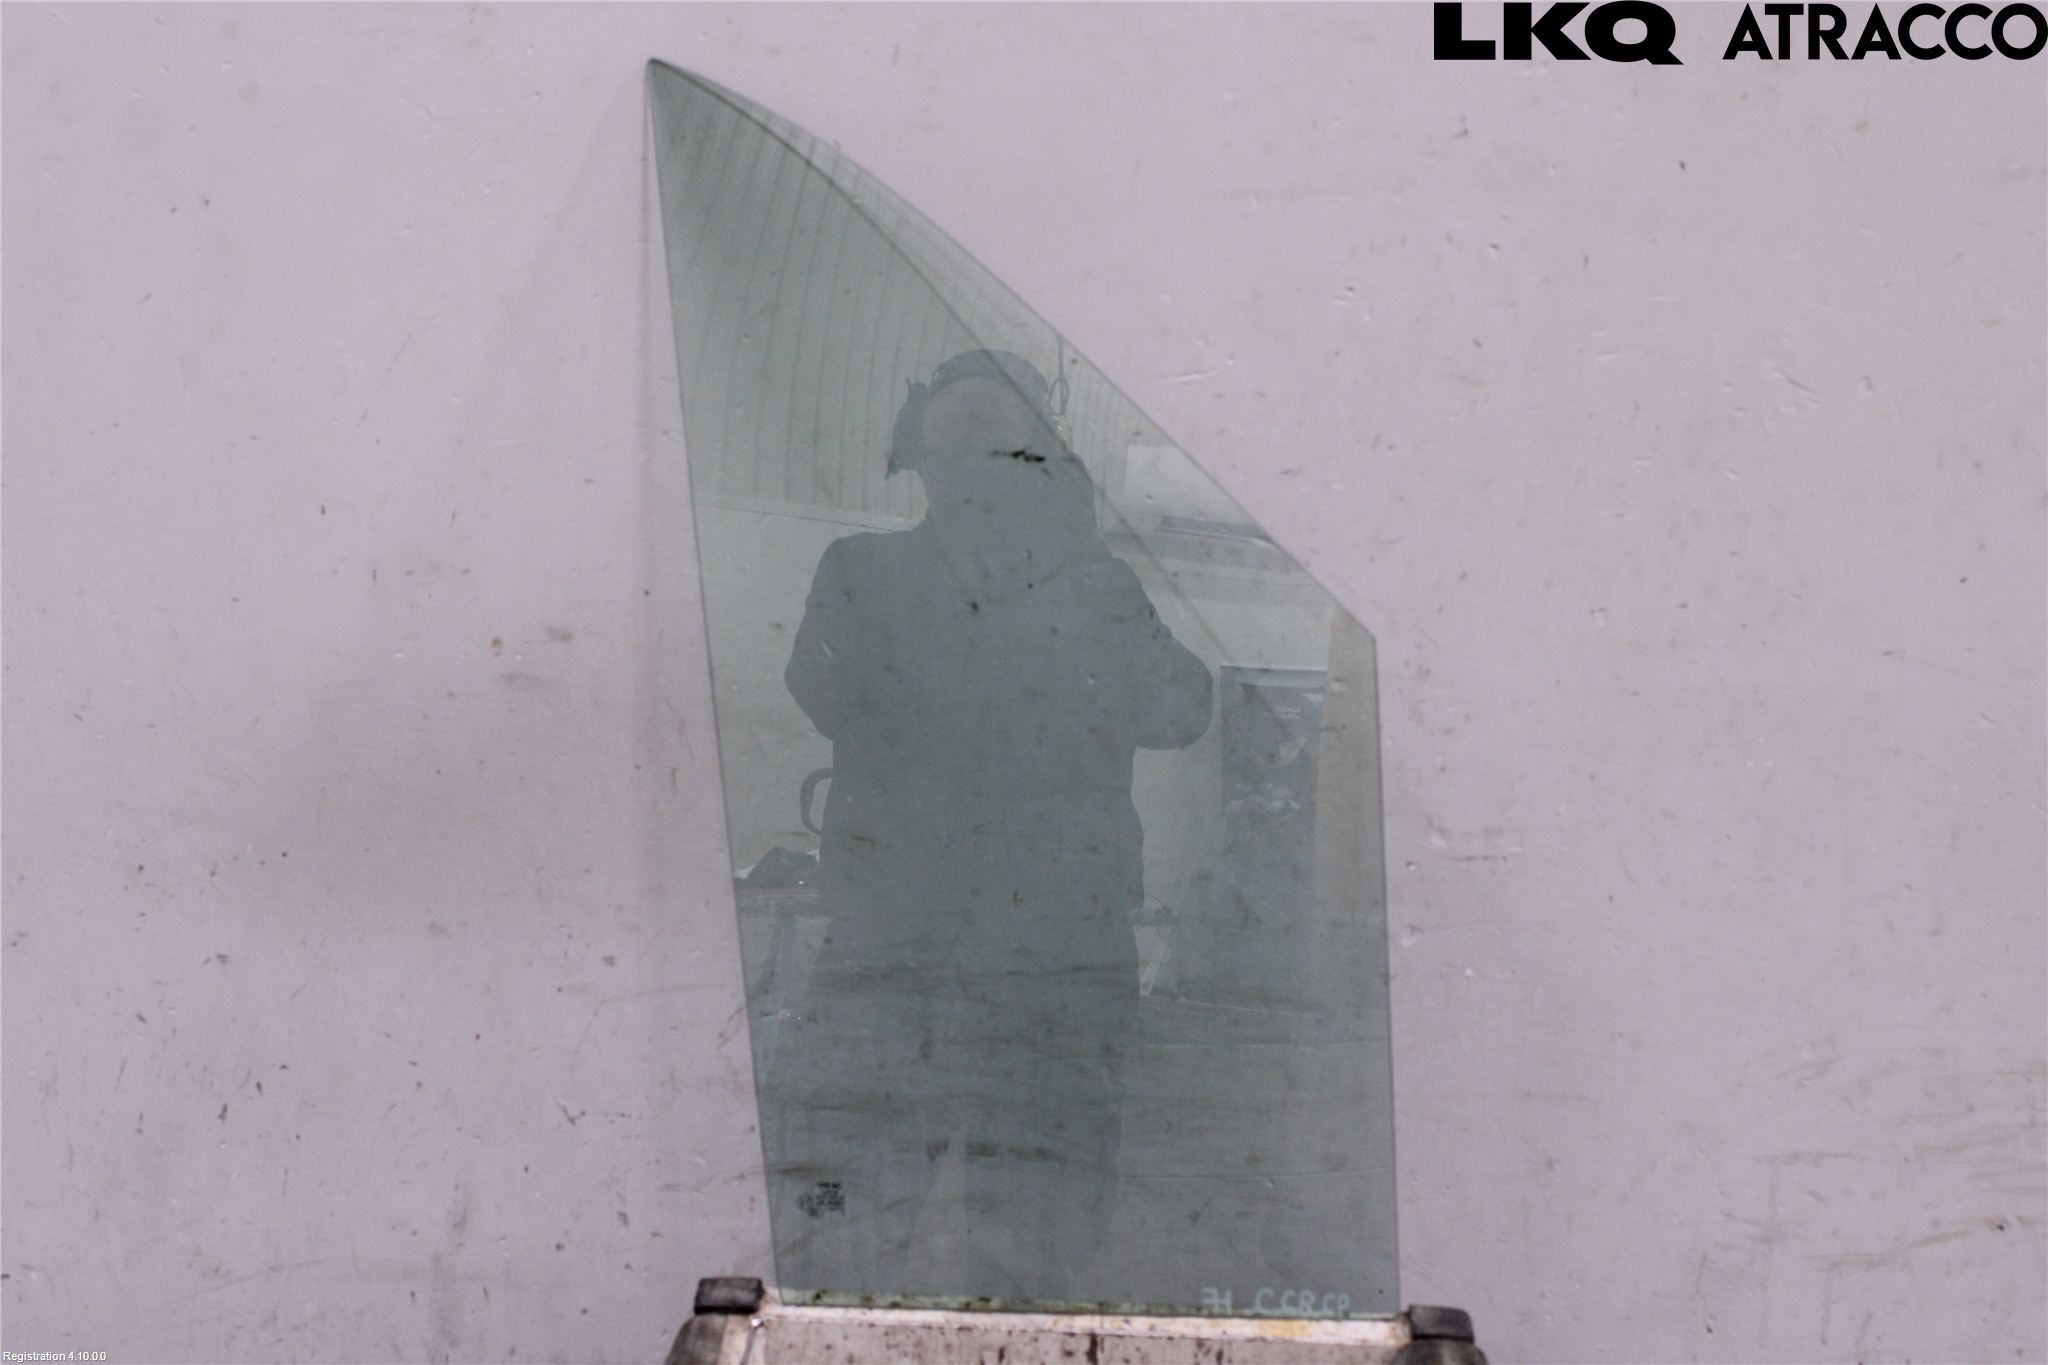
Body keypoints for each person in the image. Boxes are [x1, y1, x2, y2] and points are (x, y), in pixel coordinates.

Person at [771, 349, 1213, 1302]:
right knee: (845, 1232)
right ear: (924, 460)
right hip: (908, 953)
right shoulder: (867, 571)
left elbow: (1184, 708)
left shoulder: (1096, 588)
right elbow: (824, 688)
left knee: (1032, 1244)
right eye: (956, 447)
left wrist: (1072, 599)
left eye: (999, 450)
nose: (974, 473)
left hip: (1047, 965)